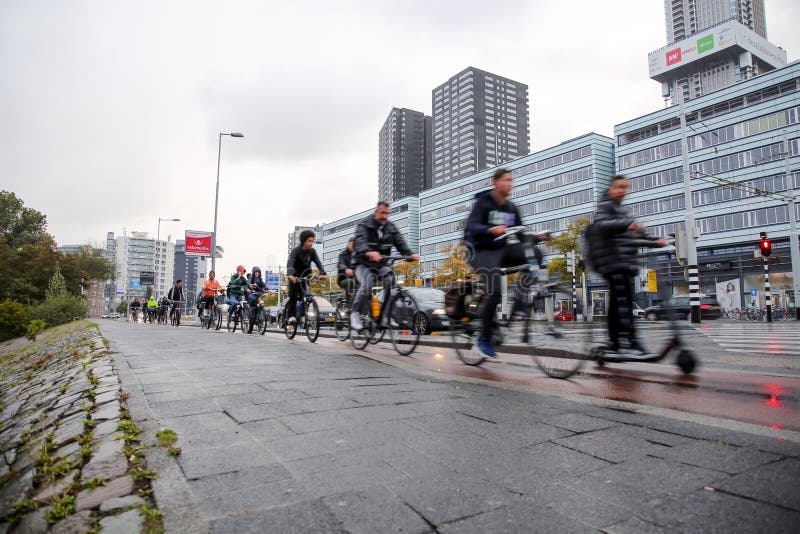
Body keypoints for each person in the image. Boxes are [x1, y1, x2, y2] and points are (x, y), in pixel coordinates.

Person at [464, 168, 546, 358]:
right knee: (496, 290)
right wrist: (490, 229)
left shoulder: (511, 208)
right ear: (495, 182)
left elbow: (520, 235)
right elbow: (473, 226)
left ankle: (519, 303)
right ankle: (482, 340)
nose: (510, 184)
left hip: (499, 251)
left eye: (511, 181)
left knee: (535, 254)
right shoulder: (483, 203)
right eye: (506, 180)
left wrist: (536, 237)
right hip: (478, 250)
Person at [590, 175, 667, 355]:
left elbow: (637, 235)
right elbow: (601, 226)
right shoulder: (605, 206)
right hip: (612, 262)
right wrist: (628, 225)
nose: (623, 191)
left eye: (625, 187)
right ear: (611, 189)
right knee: (623, 303)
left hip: (624, 263)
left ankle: (615, 343)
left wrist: (658, 241)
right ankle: (631, 341)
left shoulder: (622, 210)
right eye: (619, 187)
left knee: (619, 304)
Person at [349, 201, 419, 331]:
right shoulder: (363, 225)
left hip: (381, 264)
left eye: (387, 213)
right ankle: (355, 313)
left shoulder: (391, 228)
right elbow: (359, 242)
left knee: (391, 282)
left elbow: (401, 244)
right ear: (376, 212)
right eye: (382, 213)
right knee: (367, 284)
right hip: (362, 264)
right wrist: (368, 252)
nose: (385, 216)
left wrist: (410, 255)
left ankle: (384, 317)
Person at [285, 231, 327, 326]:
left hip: (305, 276)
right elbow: (290, 263)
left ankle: (302, 315)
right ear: (303, 241)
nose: (311, 243)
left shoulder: (312, 251)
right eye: (309, 241)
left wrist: (323, 273)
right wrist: (290, 275)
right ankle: (291, 316)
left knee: (306, 295)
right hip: (294, 276)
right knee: (293, 296)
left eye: (313, 241)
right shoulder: (296, 251)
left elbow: (318, 262)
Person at [337, 237, 357, 301]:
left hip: (356, 278)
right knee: (350, 282)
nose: (353, 245)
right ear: (348, 244)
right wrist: (346, 269)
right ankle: (349, 305)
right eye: (352, 243)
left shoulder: (357, 255)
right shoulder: (342, 254)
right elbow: (341, 264)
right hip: (343, 278)